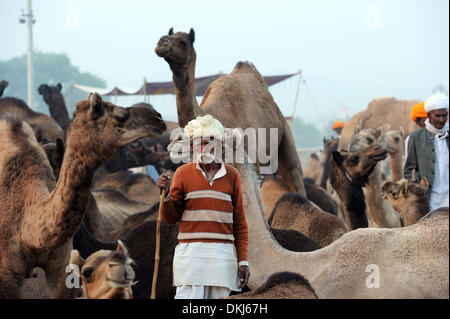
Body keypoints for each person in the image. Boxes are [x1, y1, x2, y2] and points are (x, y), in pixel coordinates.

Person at [157, 114, 250, 299]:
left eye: (211, 141)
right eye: (201, 143)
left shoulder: (232, 176)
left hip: (222, 260)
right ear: (193, 146)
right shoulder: (182, 174)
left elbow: (240, 223)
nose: (206, 147)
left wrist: (243, 262)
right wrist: (165, 195)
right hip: (191, 259)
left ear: (220, 144)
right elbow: (170, 218)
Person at [404, 93, 449, 210]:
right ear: (428, 116)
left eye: (445, 115)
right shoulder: (415, 138)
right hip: (429, 202)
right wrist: (417, 184)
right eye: (437, 116)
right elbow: (409, 169)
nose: (442, 119)